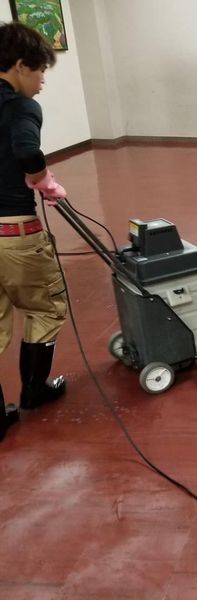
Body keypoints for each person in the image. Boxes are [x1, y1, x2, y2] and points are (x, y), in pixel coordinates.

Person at [0, 22, 68, 442]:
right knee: (46, 306)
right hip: (14, 232)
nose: (42, 80)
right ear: (21, 66)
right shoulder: (21, 107)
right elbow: (27, 150)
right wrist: (42, 179)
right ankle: (34, 390)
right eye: (40, 69)